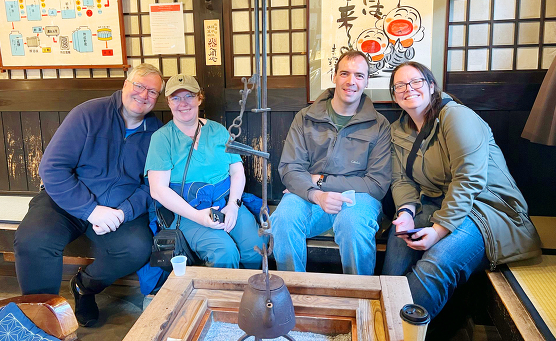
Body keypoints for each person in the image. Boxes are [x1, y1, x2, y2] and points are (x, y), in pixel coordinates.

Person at [381, 61, 542, 318]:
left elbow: (468, 179)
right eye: (399, 85)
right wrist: (406, 212)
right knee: (397, 248)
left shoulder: (456, 116)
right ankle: (387, 319)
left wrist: (439, 230)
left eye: (416, 81)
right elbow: (401, 180)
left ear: (431, 86)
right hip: (436, 203)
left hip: (486, 209)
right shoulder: (398, 130)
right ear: (394, 95)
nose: (408, 88)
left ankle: (396, 328)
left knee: (436, 263)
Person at [14, 63, 164, 327]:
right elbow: (52, 167)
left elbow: (152, 186)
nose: (144, 95)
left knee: (137, 248)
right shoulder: (88, 113)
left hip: (117, 209)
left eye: (152, 92)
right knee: (33, 240)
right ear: (125, 85)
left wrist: (123, 212)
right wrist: (90, 210)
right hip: (67, 201)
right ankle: (42, 320)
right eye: (139, 86)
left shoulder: (157, 133)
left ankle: (84, 287)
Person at [270, 50, 392, 275]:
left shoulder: (379, 124)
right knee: (283, 218)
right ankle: (293, 290)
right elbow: (290, 167)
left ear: (366, 81)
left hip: (357, 199)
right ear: (334, 76)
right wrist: (316, 193)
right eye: (344, 73)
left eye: (359, 75)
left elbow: (376, 184)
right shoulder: (306, 117)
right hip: (310, 195)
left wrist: (321, 181)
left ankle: (359, 291)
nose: (351, 81)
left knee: (352, 224)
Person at [146, 74, 264, 269]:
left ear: (199, 98)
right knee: (224, 252)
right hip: (187, 211)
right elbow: (158, 190)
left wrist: (233, 205)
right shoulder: (162, 138)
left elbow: (237, 171)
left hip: (225, 202)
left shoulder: (218, 131)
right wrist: (198, 216)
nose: (183, 103)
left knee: (255, 246)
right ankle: (222, 290)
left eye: (189, 96)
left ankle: (246, 288)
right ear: (168, 102)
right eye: (176, 98)